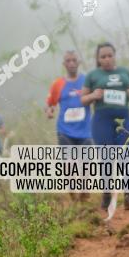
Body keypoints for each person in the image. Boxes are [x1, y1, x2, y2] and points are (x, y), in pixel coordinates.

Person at [80, 42, 129, 212]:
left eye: (109, 55)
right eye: (103, 57)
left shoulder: (124, 72)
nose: (106, 59)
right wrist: (93, 95)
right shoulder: (92, 75)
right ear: (98, 59)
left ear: (114, 56)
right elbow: (83, 99)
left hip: (123, 119)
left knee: (126, 156)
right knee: (106, 158)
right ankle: (106, 193)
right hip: (101, 121)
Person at [46, 51, 93, 200]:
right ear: (64, 64)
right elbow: (50, 104)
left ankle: (84, 193)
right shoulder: (58, 84)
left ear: (78, 63)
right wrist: (49, 111)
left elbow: (96, 99)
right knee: (68, 164)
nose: (71, 63)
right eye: (68, 60)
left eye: (74, 60)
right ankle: (72, 192)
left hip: (85, 130)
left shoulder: (87, 81)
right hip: (65, 131)